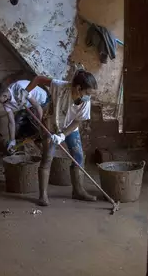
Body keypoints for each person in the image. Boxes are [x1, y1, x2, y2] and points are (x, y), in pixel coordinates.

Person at [25, 70, 98, 206]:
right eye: (88, 93)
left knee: (78, 157)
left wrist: (63, 135)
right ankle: (43, 195)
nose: (89, 97)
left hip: (70, 128)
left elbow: (78, 121)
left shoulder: (85, 102)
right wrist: (25, 92)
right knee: (47, 158)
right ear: (78, 88)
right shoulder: (59, 86)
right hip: (51, 126)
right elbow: (39, 79)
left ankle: (78, 191)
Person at [0, 80, 48, 153]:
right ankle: (17, 144)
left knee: (37, 125)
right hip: (27, 106)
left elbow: (37, 106)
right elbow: (11, 122)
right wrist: (12, 140)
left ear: (5, 96)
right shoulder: (5, 102)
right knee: (17, 122)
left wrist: (40, 123)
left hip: (41, 101)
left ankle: (40, 144)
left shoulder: (19, 89)